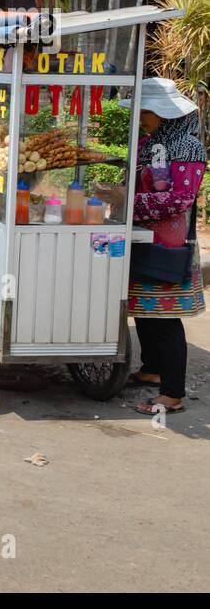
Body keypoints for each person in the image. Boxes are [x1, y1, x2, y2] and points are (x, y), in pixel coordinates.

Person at [126, 78, 205, 416]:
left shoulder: (188, 147)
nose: (141, 117)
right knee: (145, 310)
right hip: (144, 237)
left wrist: (130, 205)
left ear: (163, 114)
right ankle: (152, 368)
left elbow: (179, 197)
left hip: (169, 244)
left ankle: (172, 393)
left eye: (146, 112)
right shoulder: (150, 143)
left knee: (165, 317)